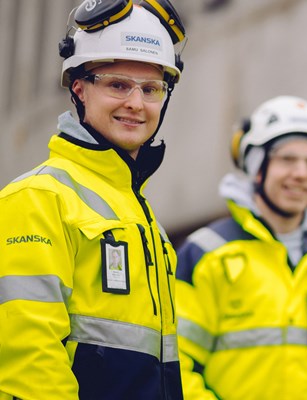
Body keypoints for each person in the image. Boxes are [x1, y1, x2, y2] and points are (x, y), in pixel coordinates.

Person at [0, 0, 187, 399]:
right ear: (80, 89)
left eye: (151, 89)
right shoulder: (36, 199)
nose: (136, 103)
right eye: (118, 84)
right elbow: (29, 361)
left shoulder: (143, 218)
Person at [174, 95, 307, 399]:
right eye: (287, 159)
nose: (301, 173)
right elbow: (178, 366)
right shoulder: (205, 254)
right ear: (257, 167)